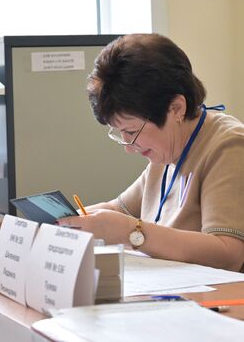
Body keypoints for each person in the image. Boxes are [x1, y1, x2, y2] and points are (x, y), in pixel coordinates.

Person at [57, 33, 244, 272]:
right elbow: (118, 210)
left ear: (176, 107)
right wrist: (65, 220)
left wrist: (131, 232)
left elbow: (228, 252)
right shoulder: (167, 151)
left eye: (132, 131)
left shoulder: (228, 146)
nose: (128, 146)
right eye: (119, 133)